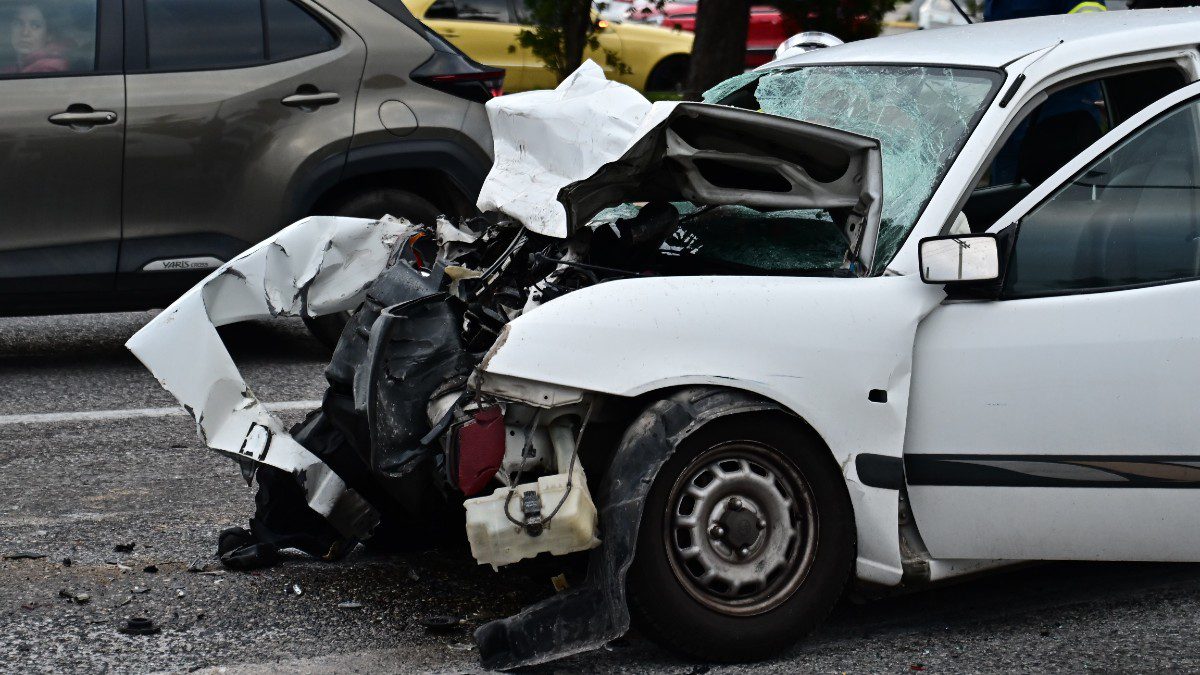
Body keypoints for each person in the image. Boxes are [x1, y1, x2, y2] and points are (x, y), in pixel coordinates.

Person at [4, 3, 70, 73]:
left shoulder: (49, 69)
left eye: (35, 26)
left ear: (49, 35)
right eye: (18, 24)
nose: (25, 32)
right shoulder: (12, 68)